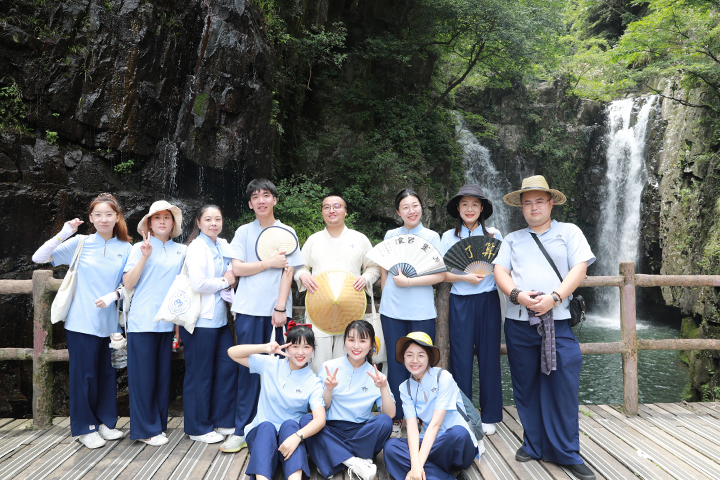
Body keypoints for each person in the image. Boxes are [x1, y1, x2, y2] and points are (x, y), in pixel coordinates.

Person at [492, 175, 596, 480]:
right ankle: (534, 443)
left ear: (551, 203)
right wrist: (517, 295)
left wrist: (555, 297)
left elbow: (580, 268)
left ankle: (566, 451)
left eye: (539, 201)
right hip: (519, 323)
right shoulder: (511, 239)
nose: (534, 207)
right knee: (525, 385)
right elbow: (500, 271)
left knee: (562, 385)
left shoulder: (569, 232)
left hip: (558, 321)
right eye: (528, 202)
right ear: (521, 208)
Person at [31, 193, 132, 449]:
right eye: (98, 214)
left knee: (107, 376)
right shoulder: (80, 242)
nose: (103, 219)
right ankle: (84, 427)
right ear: (90, 218)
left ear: (117, 217)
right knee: (84, 376)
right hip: (81, 322)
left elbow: (130, 284)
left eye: (109, 214)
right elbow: (39, 258)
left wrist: (115, 294)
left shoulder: (127, 248)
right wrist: (63, 233)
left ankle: (105, 423)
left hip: (110, 324)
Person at [223, 179, 304, 452]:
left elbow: (289, 271)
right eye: (255, 197)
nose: (261, 200)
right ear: (249, 204)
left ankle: (277, 427)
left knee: (280, 369)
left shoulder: (286, 232)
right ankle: (240, 429)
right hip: (247, 310)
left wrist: (281, 308)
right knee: (248, 370)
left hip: (276, 314)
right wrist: (268, 263)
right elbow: (237, 269)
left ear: (274, 200)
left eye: (266, 195)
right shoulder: (244, 232)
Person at [379, 189, 445, 436]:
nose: (411, 211)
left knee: (420, 363)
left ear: (421, 208)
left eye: (415, 205)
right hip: (392, 310)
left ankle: (420, 417)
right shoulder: (390, 235)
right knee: (397, 363)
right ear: (398, 212)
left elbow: (439, 275)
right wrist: (387, 294)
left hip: (421, 309)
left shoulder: (431, 236)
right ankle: (397, 418)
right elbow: (385, 268)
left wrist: (409, 282)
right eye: (405, 207)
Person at [441, 185, 503, 436]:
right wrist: (465, 277)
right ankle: (463, 413)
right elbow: (441, 272)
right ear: (458, 207)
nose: (469, 209)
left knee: (490, 358)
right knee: (461, 359)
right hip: (461, 302)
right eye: (465, 204)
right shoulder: (448, 237)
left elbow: (502, 266)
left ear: (482, 209)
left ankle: (490, 416)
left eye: (475, 205)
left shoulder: (495, 234)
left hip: (488, 300)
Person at [122, 200, 184, 446]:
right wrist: (144, 257)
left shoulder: (182, 251)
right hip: (142, 320)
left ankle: (157, 426)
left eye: (166, 217)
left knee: (161, 377)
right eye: (156, 217)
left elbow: (183, 290)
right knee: (143, 377)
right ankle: (144, 430)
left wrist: (178, 325)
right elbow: (128, 283)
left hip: (167, 322)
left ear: (173, 224)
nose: (161, 221)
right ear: (148, 223)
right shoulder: (139, 247)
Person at [227, 324, 326, 480]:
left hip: (290, 441)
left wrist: (297, 437)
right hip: (261, 437)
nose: (300, 352)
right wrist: (266, 348)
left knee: (291, 425)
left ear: (312, 349)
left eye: (306, 346)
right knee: (266, 427)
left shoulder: (313, 381)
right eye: (295, 346)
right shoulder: (270, 365)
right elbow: (232, 352)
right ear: (287, 347)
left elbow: (320, 419)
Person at [294, 195, 381, 373]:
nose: (331, 210)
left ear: (345, 211)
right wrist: (303, 275)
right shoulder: (314, 240)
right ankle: (319, 398)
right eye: (326, 207)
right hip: (319, 307)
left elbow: (374, 268)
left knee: (347, 360)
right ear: (322, 212)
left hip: (350, 308)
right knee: (318, 360)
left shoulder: (360, 239)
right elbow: (299, 266)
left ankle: (344, 398)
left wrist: (366, 278)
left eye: (337, 206)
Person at [302, 320, 395, 480]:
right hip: (330, 429)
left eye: (362, 340)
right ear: (344, 341)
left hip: (361, 433)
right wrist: (329, 389)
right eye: (351, 340)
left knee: (384, 422)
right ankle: (353, 462)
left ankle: (331, 456)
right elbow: (321, 409)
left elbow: (390, 414)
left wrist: (383, 387)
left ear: (372, 344)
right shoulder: (329, 366)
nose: (356, 346)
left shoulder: (375, 374)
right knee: (306, 420)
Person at [383, 332, 479, 480]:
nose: (415, 360)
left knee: (458, 433)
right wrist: (416, 463)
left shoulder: (443, 377)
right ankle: (443, 476)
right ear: (403, 358)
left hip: (456, 446)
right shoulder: (405, 387)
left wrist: (417, 465)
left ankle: (421, 471)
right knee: (390, 448)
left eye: (421, 355)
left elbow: (435, 424)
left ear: (429, 358)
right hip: (432, 446)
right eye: (409, 355)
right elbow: (412, 427)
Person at [181, 205, 238, 444]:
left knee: (228, 367)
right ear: (199, 222)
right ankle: (197, 427)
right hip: (201, 321)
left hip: (220, 321)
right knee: (200, 374)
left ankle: (222, 419)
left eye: (218, 218)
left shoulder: (221, 244)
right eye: (208, 219)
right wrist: (226, 280)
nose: (213, 223)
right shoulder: (196, 247)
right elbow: (198, 283)